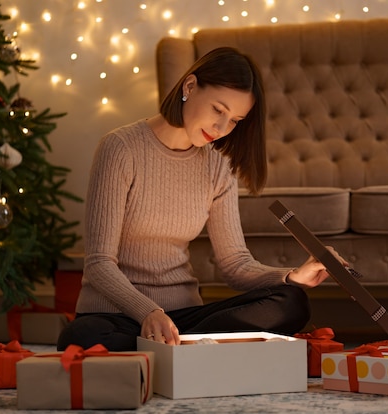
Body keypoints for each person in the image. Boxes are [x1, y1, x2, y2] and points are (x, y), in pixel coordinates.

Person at [57, 47, 347, 351]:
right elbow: (99, 264)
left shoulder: (218, 165)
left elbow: (235, 264)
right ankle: (190, 351)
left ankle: (173, 349)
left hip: (184, 318)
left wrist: (292, 276)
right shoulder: (120, 148)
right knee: (81, 336)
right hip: (117, 316)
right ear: (190, 86)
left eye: (235, 120)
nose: (221, 129)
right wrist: (148, 312)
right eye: (218, 110)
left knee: (291, 301)